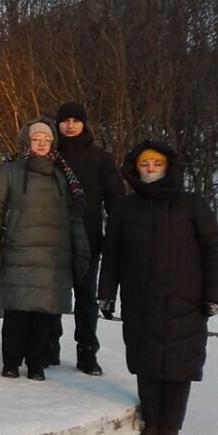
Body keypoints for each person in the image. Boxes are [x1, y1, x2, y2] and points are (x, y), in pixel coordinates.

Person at [98, 142, 218, 435]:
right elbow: (112, 254)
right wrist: (106, 293)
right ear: (136, 168)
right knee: (147, 364)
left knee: (179, 366)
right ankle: (152, 423)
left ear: (167, 166)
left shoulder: (191, 205)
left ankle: (170, 430)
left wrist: (215, 294)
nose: (151, 168)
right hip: (139, 298)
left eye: (157, 163)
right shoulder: (125, 208)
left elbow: (212, 250)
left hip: (185, 301)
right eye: (145, 164)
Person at [0, 120, 89, 381]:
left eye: (46, 139)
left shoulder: (62, 176)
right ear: (26, 142)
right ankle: (11, 361)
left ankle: (36, 362)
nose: (41, 143)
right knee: (18, 313)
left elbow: (73, 217)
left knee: (43, 314)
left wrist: (81, 250)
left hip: (54, 255)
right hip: (19, 251)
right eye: (36, 138)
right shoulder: (7, 172)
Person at [48, 101, 125, 375]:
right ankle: (49, 347)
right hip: (52, 238)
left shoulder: (100, 158)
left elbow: (115, 199)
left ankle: (87, 352)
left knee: (85, 299)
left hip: (88, 239)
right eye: (65, 120)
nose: (70, 125)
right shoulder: (51, 155)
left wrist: (112, 235)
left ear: (84, 124)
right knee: (52, 298)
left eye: (75, 120)